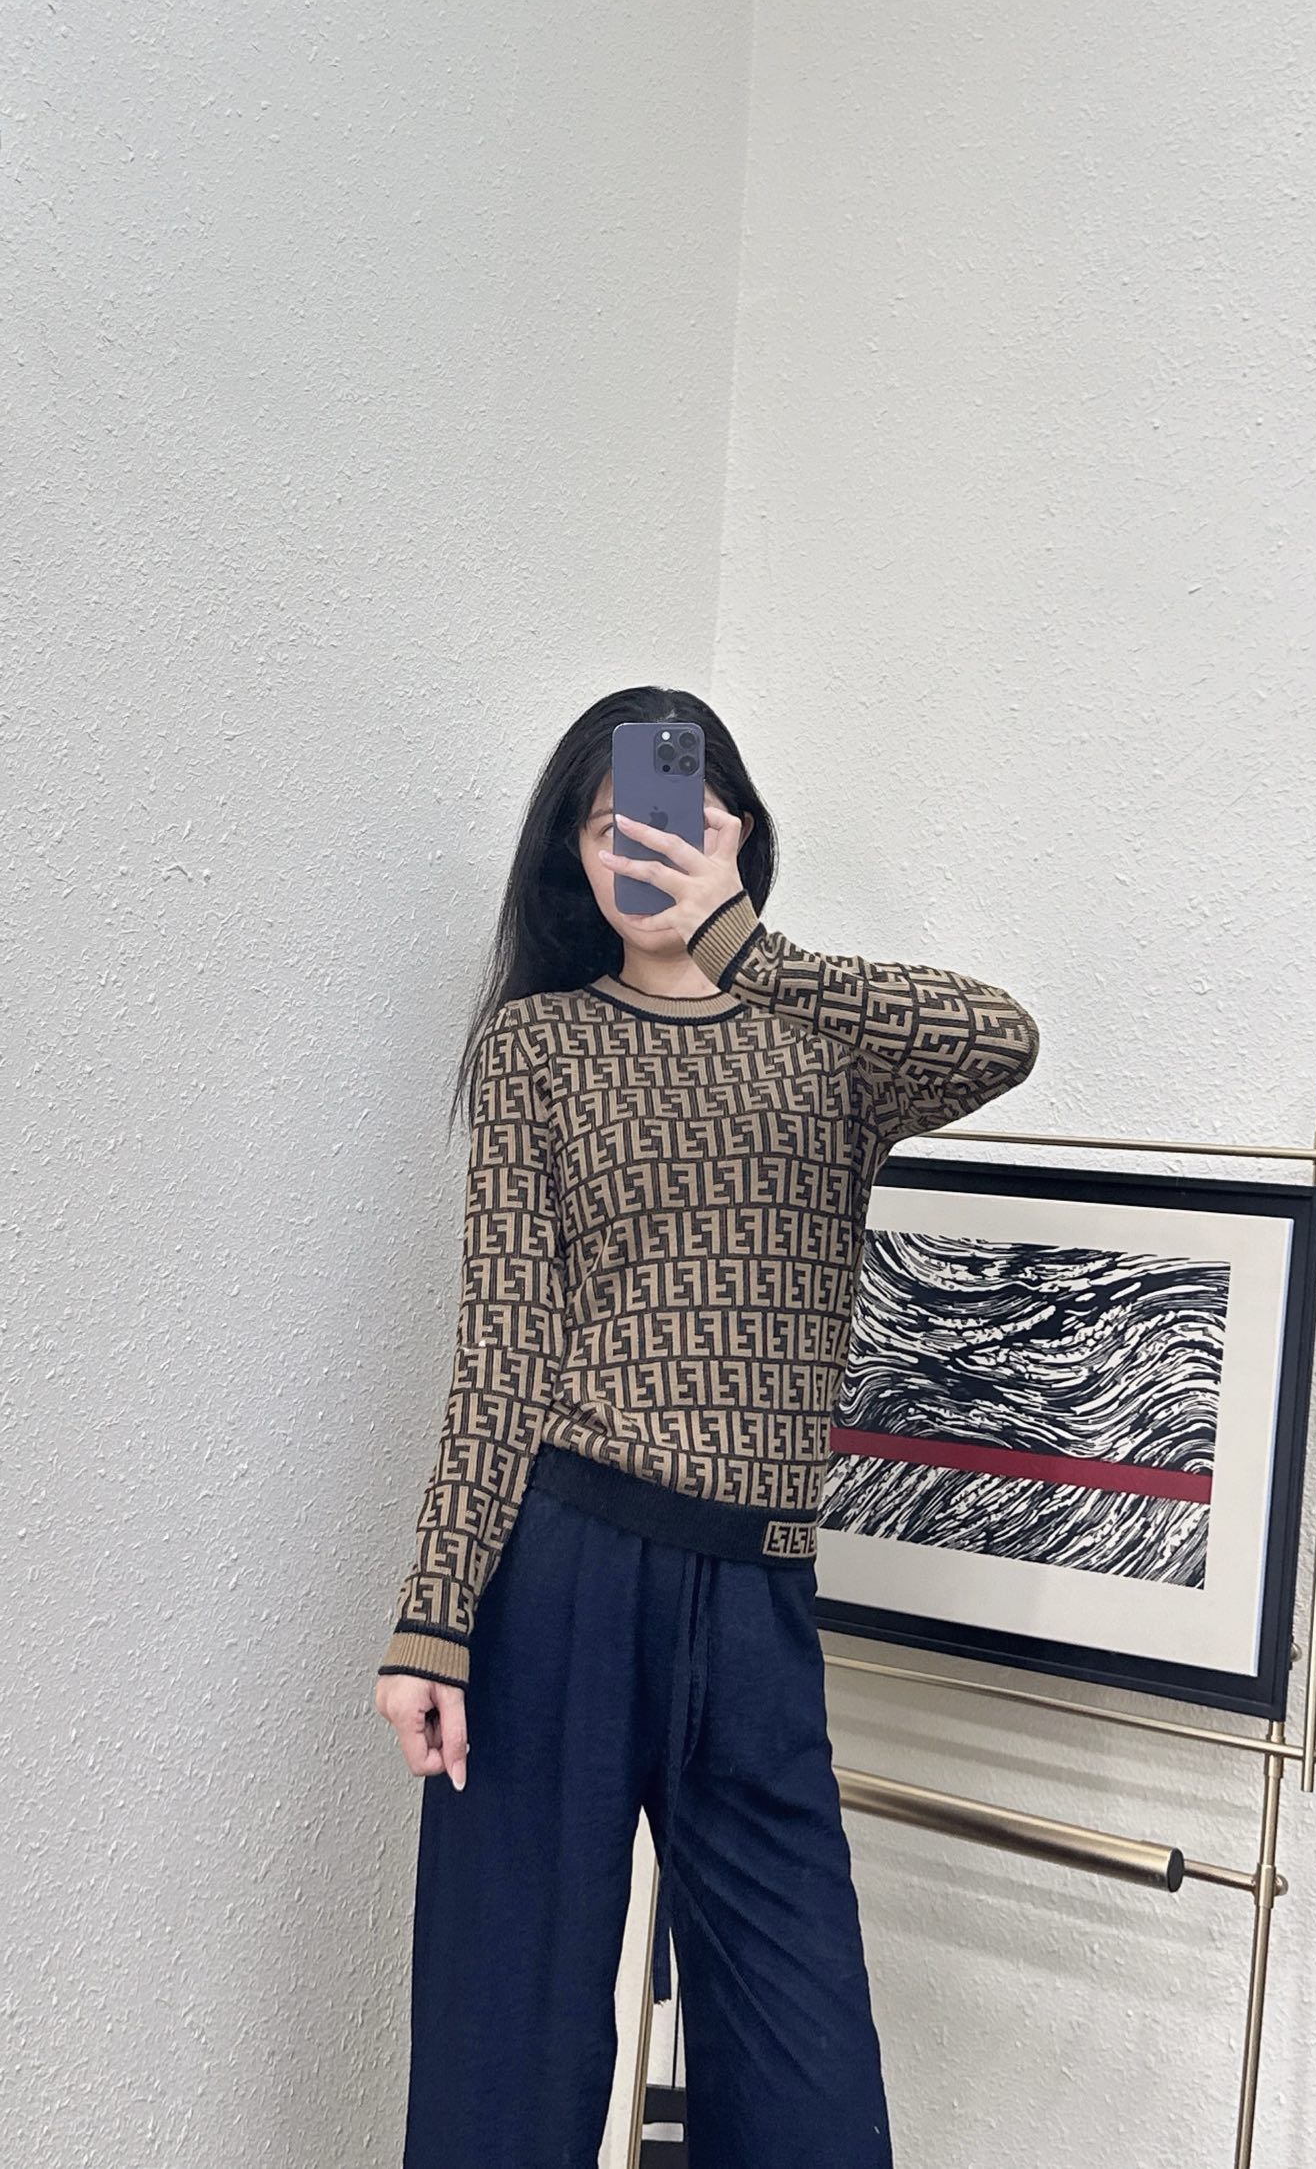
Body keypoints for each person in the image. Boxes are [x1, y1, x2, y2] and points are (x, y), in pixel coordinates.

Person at [373, 686, 1041, 2169]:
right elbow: (503, 1347)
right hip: (561, 1573)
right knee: (504, 2055)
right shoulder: (539, 1048)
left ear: (736, 830)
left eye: (679, 817)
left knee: (810, 2090)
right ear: (572, 857)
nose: (648, 849)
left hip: (756, 1601)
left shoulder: (829, 1045)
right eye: (611, 827)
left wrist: (747, 944)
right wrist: (433, 1618)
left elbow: (1002, 1037)